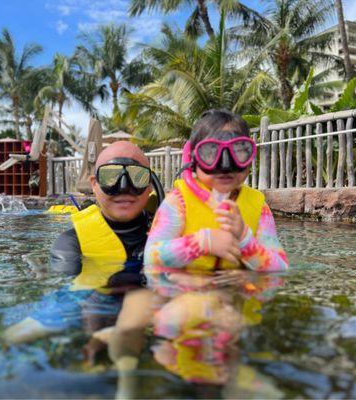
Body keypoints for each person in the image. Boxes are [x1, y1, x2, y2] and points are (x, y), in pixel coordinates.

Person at [107, 109, 289, 395]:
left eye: (238, 151)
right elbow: (152, 255)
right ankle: (139, 368)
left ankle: (220, 372)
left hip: (231, 297)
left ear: (249, 156)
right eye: (211, 154)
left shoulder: (258, 207)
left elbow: (279, 266)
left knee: (228, 324)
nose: (225, 164)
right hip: (177, 293)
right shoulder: (179, 201)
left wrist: (245, 239)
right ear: (192, 157)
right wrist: (201, 243)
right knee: (152, 317)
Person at [4, 141, 160, 345]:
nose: (124, 187)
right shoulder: (71, 244)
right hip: (94, 314)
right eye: (110, 177)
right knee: (15, 337)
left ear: (149, 186)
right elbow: (67, 297)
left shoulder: (167, 235)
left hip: (151, 314)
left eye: (137, 177)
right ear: (94, 183)